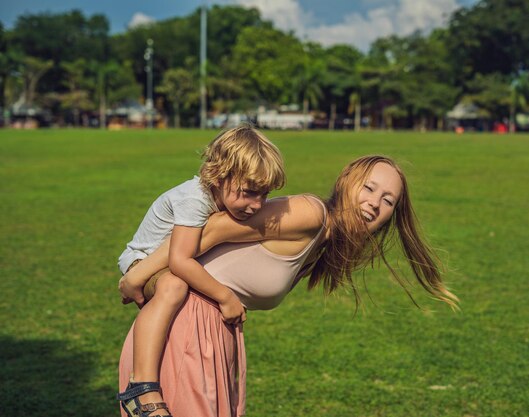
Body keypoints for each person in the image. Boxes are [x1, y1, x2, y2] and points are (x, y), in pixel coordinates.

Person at [118, 155, 458, 417]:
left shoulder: (322, 242)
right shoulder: (310, 214)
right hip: (184, 329)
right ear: (346, 182)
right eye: (369, 188)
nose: (374, 203)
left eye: (388, 201)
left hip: (209, 334)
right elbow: (213, 228)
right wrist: (137, 274)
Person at [116, 125, 285, 417]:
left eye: (265, 195)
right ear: (219, 176)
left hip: (164, 260)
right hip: (141, 260)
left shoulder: (222, 199)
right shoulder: (195, 199)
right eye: (249, 193)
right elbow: (180, 260)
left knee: (177, 284)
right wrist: (225, 296)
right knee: (174, 286)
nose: (257, 205)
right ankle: (141, 388)